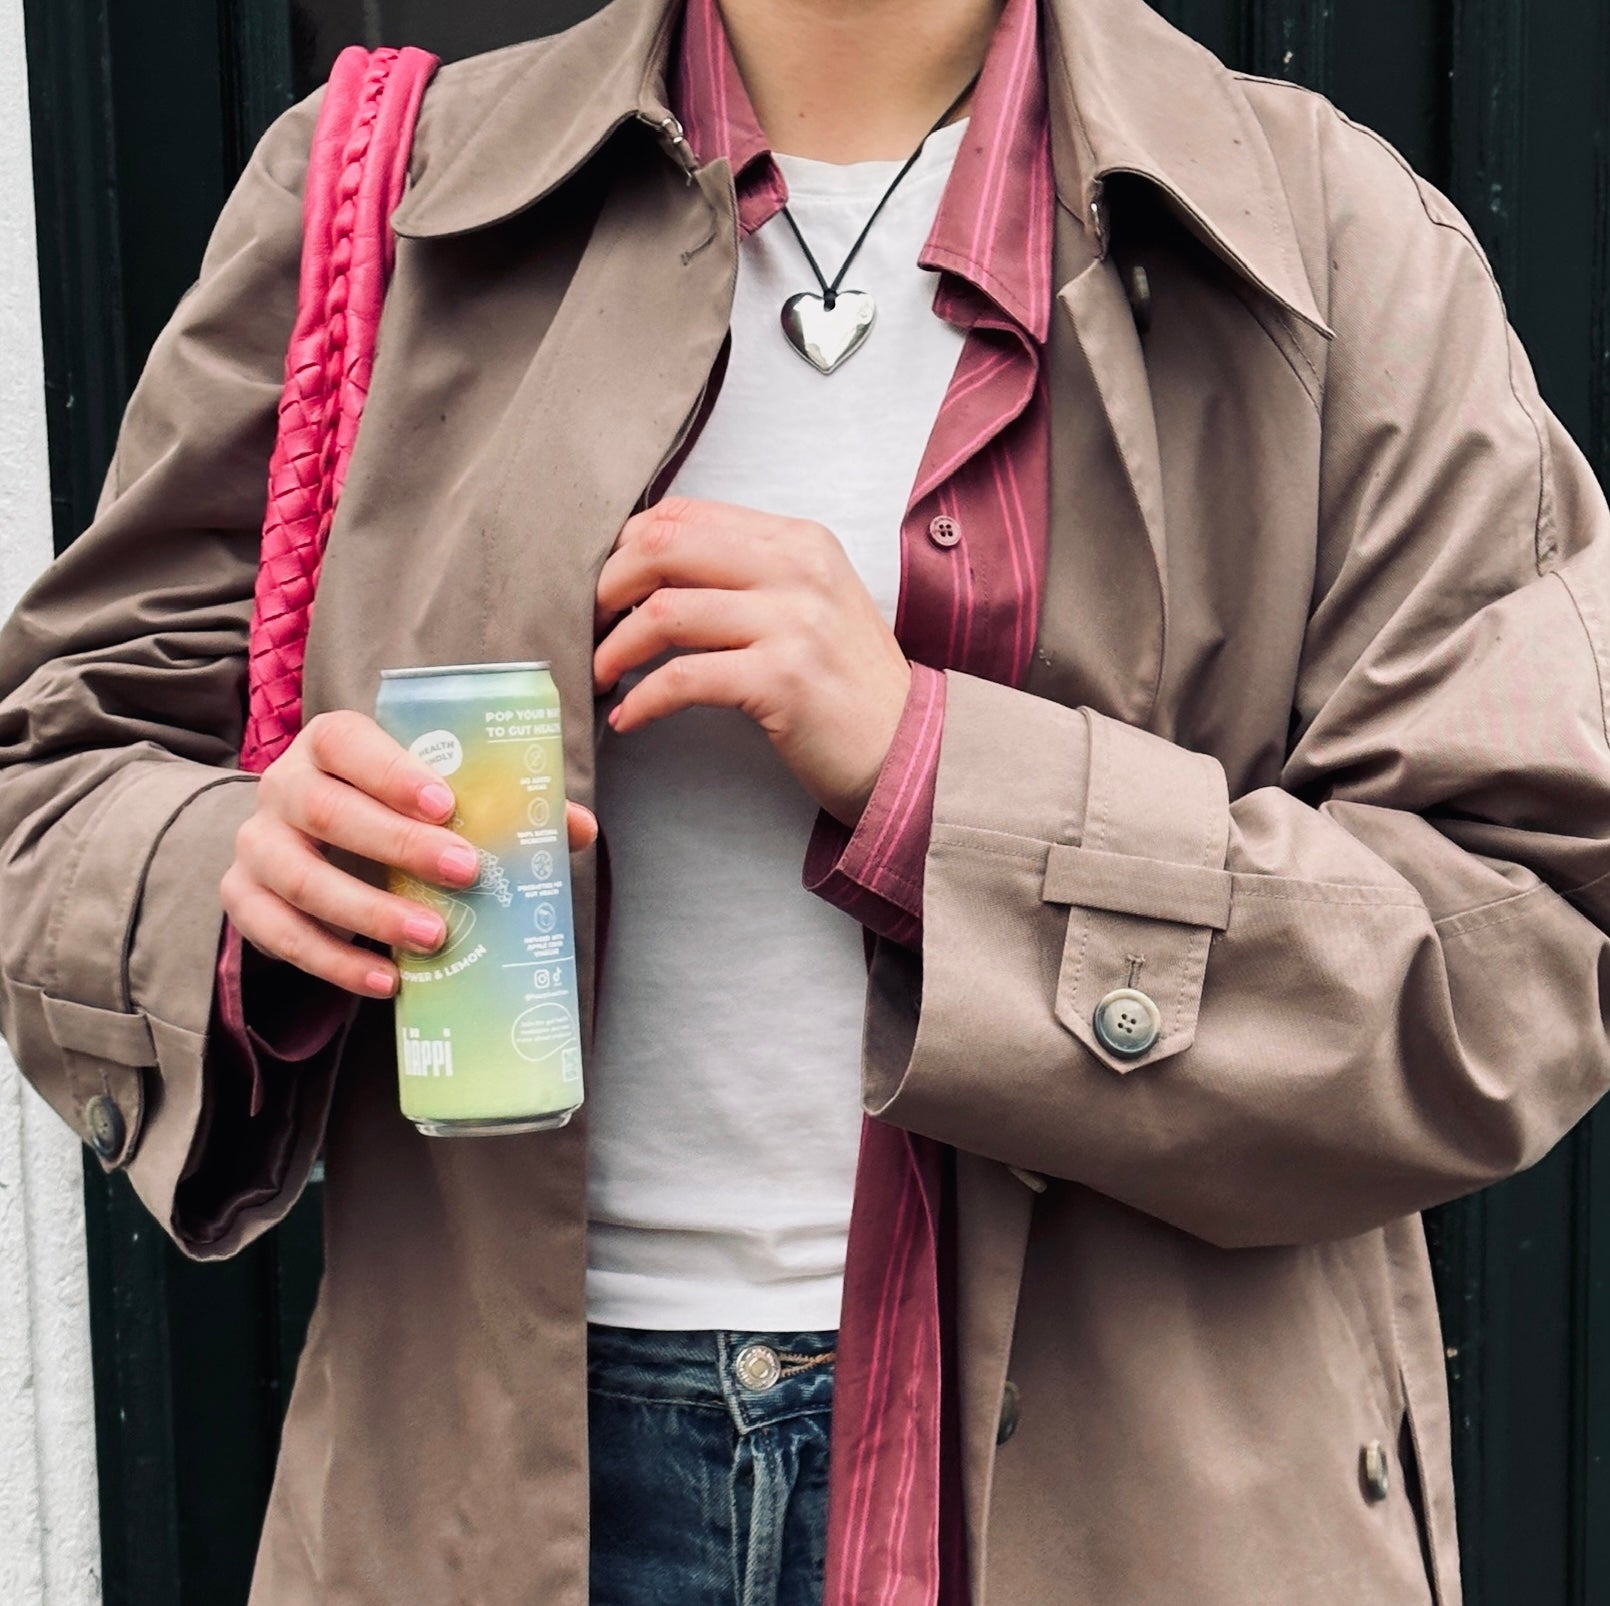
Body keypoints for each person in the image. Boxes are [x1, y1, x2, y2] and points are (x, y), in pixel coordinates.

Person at [3, 0, 1609, 1600]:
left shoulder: (1330, 242)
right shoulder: (382, 198)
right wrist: (240, 875)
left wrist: (928, 773)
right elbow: (54, 783)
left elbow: (1518, 938)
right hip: (492, 1499)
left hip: (1141, 1509)